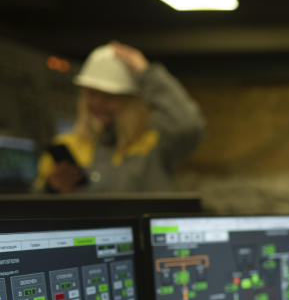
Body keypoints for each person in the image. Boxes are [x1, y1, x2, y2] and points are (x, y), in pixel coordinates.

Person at [35, 41, 204, 194]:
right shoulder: (67, 146)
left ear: (132, 102)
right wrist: (51, 190)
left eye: (109, 96)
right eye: (92, 94)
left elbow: (188, 125)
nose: (98, 103)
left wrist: (147, 73)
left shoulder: (155, 144)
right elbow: (33, 211)